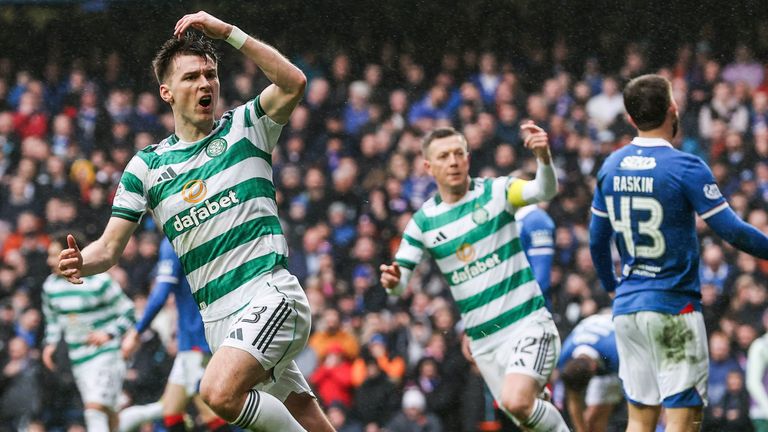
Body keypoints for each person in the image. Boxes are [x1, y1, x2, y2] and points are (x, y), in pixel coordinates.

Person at [58, 11, 332, 432]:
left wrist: (227, 33)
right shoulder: (146, 167)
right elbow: (108, 249)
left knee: (219, 392)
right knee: (306, 415)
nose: (205, 84)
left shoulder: (246, 128)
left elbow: (293, 82)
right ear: (166, 92)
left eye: (210, 74)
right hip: (217, 319)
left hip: (270, 293)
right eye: (191, 77)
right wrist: (82, 263)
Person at [589, 73, 768, 432]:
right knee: (684, 421)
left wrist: (613, 286)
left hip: (628, 310)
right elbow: (732, 231)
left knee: (640, 420)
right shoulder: (685, 166)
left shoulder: (611, 165)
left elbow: (597, 240)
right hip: (673, 308)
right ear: (673, 109)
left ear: (629, 117)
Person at [380, 124, 569, 431]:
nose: (453, 161)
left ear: (468, 158)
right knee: (524, 416)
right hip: (483, 343)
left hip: (527, 324)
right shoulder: (423, 222)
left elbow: (543, 190)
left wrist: (543, 158)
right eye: (443, 156)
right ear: (429, 167)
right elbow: (399, 284)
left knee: (517, 401)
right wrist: (392, 281)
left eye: (458, 153)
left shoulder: (498, 191)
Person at [119, 238, 229, 432]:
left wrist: (136, 332)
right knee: (171, 412)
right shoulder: (207, 231)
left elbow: (161, 293)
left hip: (198, 342)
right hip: (203, 337)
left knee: (211, 413)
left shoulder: (174, 240)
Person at [42, 233, 135, 431]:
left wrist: (108, 333)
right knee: (109, 415)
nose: (49, 260)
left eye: (53, 255)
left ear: (69, 254)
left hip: (106, 354)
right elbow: (53, 320)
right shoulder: (50, 287)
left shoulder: (99, 282)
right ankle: (163, 409)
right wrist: (50, 344)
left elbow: (129, 311)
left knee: (94, 409)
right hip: (78, 358)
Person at [557, 313, 621, 432]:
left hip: (615, 327)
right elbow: (574, 399)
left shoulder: (615, 353)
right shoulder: (564, 357)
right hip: (597, 335)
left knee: (598, 411)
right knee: (593, 421)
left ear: (593, 368)